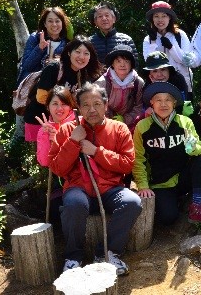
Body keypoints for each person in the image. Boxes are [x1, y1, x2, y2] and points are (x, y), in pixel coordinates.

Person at [49, 82, 141, 275]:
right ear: (79, 108)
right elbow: (57, 167)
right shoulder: (67, 130)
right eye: (86, 105)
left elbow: (127, 163)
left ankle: (108, 253)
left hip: (110, 188)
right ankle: (73, 257)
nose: (92, 110)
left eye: (97, 104)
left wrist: (96, 152)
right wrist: (73, 142)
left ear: (106, 105)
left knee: (132, 202)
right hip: (78, 187)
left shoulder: (119, 128)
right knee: (74, 204)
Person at [132, 82, 201, 226]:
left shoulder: (185, 122)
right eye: (158, 100)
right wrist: (143, 185)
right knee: (168, 218)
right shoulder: (142, 126)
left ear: (174, 103)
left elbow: (199, 149)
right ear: (152, 103)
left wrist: (192, 147)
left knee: (200, 160)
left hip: (182, 178)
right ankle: (176, 202)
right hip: (160, 184)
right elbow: (138, 159)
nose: (163, 104)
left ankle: (197, 206)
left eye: (168, 100)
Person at [11, 7, 71, 151]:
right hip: (31, 92)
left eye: (57, 21)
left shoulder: (67, 44)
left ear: (63, 23)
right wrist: (40, 48)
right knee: (28, 126)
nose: (54, 24)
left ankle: (44, 159)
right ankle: (21, 157)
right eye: (50, 21)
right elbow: (27, 65)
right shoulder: (35, 38)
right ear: (44, 23)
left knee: (49, 126)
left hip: (52, 92)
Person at [23, 36, 103, 141]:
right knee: (42, 154)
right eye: (78, 52)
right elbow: (41, 97)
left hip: (61, 121)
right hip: (39, 120)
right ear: (69, 53)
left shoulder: (82, 73)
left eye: (86, 53)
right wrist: (66, 106)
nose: (81, 57)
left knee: (60, 154)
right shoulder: (54, 67)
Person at [35, 86, 76, 223]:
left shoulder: (78, 124)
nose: (60, 108)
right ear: (48, 107)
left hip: (79, 178)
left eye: (64, 104)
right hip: (60, 181)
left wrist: (59, 139)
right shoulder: (45, 129)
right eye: (55, 104)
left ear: (70, 106)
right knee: (54, 210)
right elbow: (45, 162)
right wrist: (47, 137)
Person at [143, 1, 194, 98]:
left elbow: (186, 60)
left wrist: (171, 47)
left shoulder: (180, 35)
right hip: (158, 82)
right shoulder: (148, 39)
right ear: (152, 19)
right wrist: (153, 42)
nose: (160, 20)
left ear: (169, 17)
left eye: (164, 16)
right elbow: (150, 63)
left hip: (181, 81)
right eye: (156, 16)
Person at [95, 44, 144, 133]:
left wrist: (125, 119)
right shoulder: (102, 82)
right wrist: (111, 119)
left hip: (130, 125)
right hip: (105, 124)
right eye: (118, 61)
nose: (122, 65)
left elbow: (139, 106)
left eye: (126, 61)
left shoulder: (138, 82)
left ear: (131, 64)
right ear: (112, 64)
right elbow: (96, 105)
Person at [88, 1, 139, 66]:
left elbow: (135, 64)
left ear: (114, 19)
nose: (104, 18)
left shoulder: (126, 40)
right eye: (100, 16)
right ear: (95, 22)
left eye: (107, 15)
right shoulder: (89, 42)